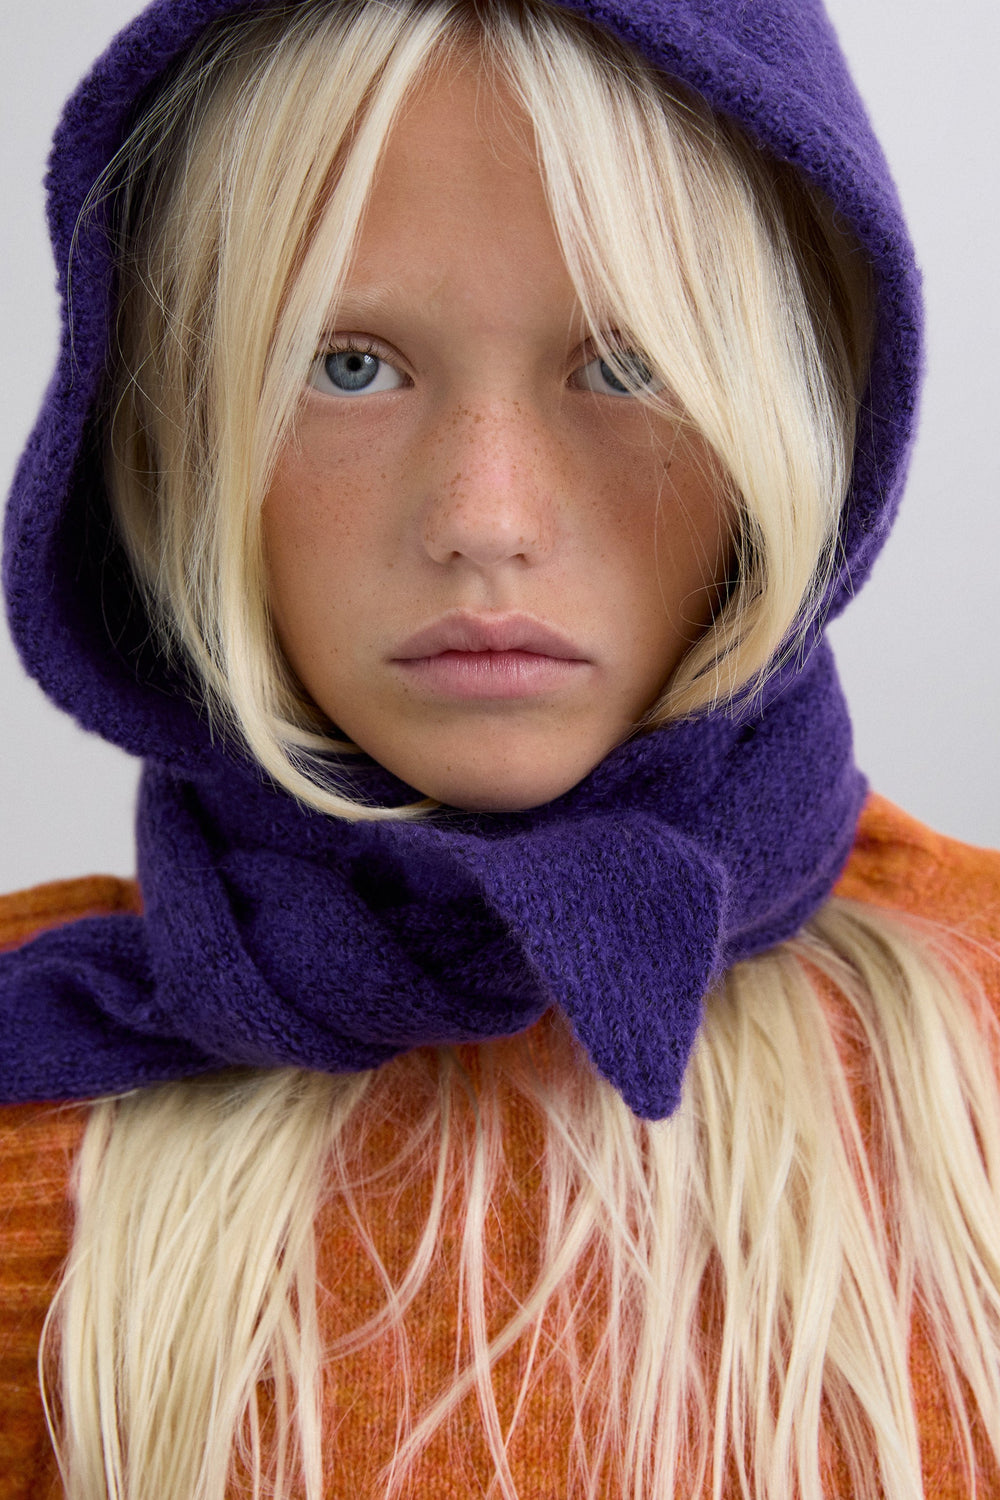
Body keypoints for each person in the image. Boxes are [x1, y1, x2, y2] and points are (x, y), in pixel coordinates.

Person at [1, 0, 999, 1496]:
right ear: (167, 442)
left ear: (811, 415)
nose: (486, 519)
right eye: (346, 364)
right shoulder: (42, 1089)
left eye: (629, 364)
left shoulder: (979, 1043)